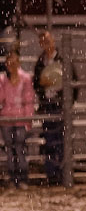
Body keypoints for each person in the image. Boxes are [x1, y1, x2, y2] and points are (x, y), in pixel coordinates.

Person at [33, 30, 71, 186]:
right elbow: (36, 84)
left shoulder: (62, 60)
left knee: (60, 140)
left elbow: (72, 82)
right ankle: (52, 175)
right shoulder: (40, 62)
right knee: (49, 140)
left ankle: (61, 174)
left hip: (59, 105)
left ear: (53, 41)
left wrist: (67, 102)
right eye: (43, 42)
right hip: (47, 105)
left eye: (48, 41)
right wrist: (43, 89)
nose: (46, 44)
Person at [0, 49, 35, 188]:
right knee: (10, 148)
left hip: (20, 117)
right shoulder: (2, 80)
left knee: (20, 148)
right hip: (7, 117)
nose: (11, 66)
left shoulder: (25, 78)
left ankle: (22, 177)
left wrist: (28, 119)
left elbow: (29, 100)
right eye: (9, 63)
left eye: (14, 63)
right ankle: (13, 176)